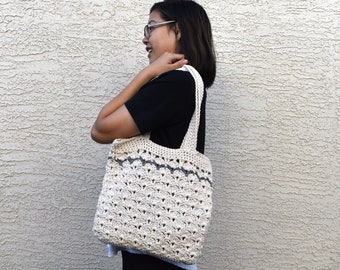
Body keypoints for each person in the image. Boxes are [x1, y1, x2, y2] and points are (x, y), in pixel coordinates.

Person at [91, 0, 216, 269]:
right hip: (158, 250)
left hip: (153, 258)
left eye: (151, 27)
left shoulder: (175, 83)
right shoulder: (185, 82)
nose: (145, 38)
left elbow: (101, 128)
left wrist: (146, 73)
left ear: (178, 30)